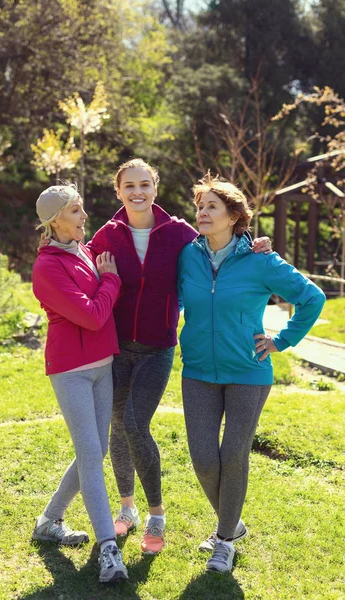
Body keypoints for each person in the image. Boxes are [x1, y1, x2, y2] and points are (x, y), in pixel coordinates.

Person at [85, 159, 272, 555]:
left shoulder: (179, 233)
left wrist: (255, 243)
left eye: (144, 184)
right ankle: (127, 506)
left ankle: (157, 513)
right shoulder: (106, 235)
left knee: (135, 423)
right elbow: (79, 268)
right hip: (115, 347)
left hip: (158, 347)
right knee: (118, 426)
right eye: (128, 186)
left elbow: (220, 243)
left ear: (155, 188)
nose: (137, 192)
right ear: (118, 191)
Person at [177, 173, 325, 573]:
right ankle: (233, 523)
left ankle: (224, 540)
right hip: (197, 372)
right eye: (200, 206)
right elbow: (172, 296)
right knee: (204, 458)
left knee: (234, 452)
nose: (202, 213)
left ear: (233, 216)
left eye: (211, 207)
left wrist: (283, 340)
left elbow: (312, 297)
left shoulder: (261, 260)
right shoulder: (188, 255)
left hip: (248, 371)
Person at [31, 183, 128, 584]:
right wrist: (112, 281)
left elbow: (133, 223)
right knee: (91, 453)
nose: (84, 216)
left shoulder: (83, 251)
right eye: (76, 210)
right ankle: (109, 550)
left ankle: (49, 521)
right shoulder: (47, 267)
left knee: (97, 449)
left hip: (102, 364)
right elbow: (90, 316)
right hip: (71, 369)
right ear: (56, 220)